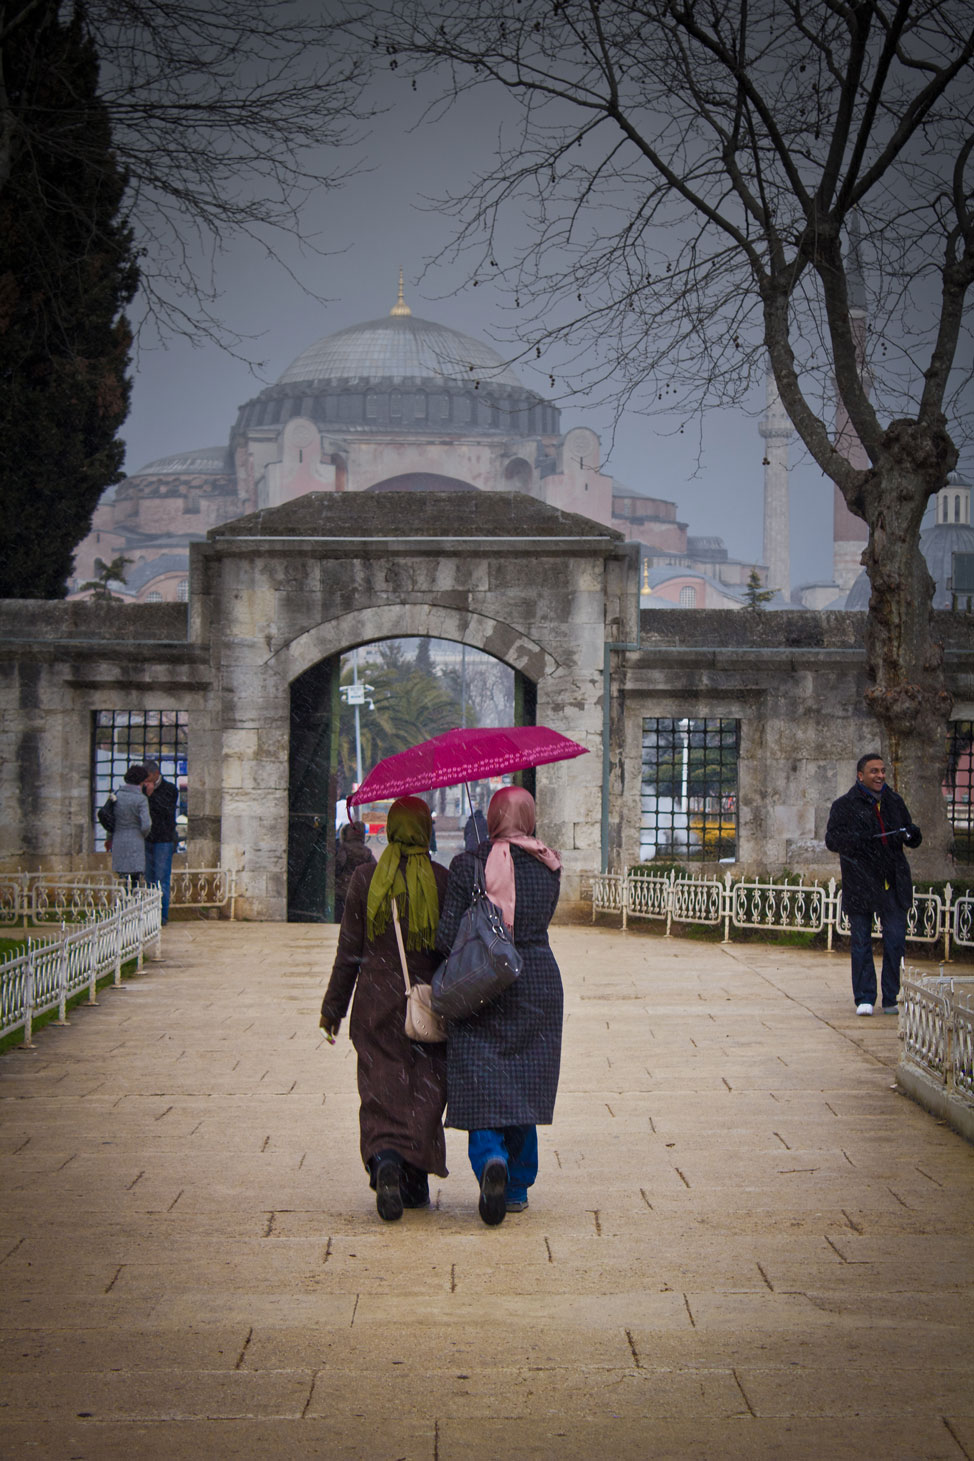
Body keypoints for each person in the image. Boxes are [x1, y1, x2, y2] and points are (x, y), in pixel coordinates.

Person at [436, 785, 562, 1225]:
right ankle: (517, 1185)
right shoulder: (549, 864)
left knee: (480, 1077)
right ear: (528, 817)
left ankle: (491, 1156)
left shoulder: (468, 864)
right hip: (536, 980)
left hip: (482, 984)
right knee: (522, 1083)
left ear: (491, 818)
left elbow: (445, 936)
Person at [319, 796, 449, 1221]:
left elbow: (348, 953)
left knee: (381, 1088)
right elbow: (452, 951)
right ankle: (413, 1182)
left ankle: (385, 1160)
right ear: (425, 830)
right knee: (424, 1090)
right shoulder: (442, 879)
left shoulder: (364, 879)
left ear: (391, 829)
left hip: (375, 1002)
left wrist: (332, 1010)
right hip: (427, 1004)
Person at [825, 752, 922, 1016]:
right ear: (861, 776)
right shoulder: (844, 805)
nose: (880, 776)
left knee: (894, 941)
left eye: (882, 771)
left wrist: (912, 834)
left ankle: (891, 996)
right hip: (861, 883)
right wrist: (860, 838)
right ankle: (864, 997)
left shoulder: (893, 801)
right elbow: (833, 840)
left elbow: (910, 833)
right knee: (861, 942)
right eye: (874, 771)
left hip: (892, 883)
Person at [142, 760, 179, 924]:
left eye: (148, 777)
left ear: (155, 774)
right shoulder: (142, 789)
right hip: (147, 838)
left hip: (163, 839)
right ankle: (150, 914)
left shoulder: (170, 789)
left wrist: (150, 796)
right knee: (149, 878)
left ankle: (162, 915)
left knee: (162, 878)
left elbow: (166, 810)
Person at [111, 763, 152, 886]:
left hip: (119, 838)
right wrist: (143, 835)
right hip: (135, 840)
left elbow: (111, 818)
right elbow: (146, 825)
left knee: (121, 877)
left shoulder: (117, 795)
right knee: (135, 879)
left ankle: (122, 903)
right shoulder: (141, 799)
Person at [334, 819, 375, 924]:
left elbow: (338, 865)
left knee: (340, 919)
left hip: (342, 891)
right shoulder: (367, 851)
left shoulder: (344, 848)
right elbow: (374, 869)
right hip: (359, 891)